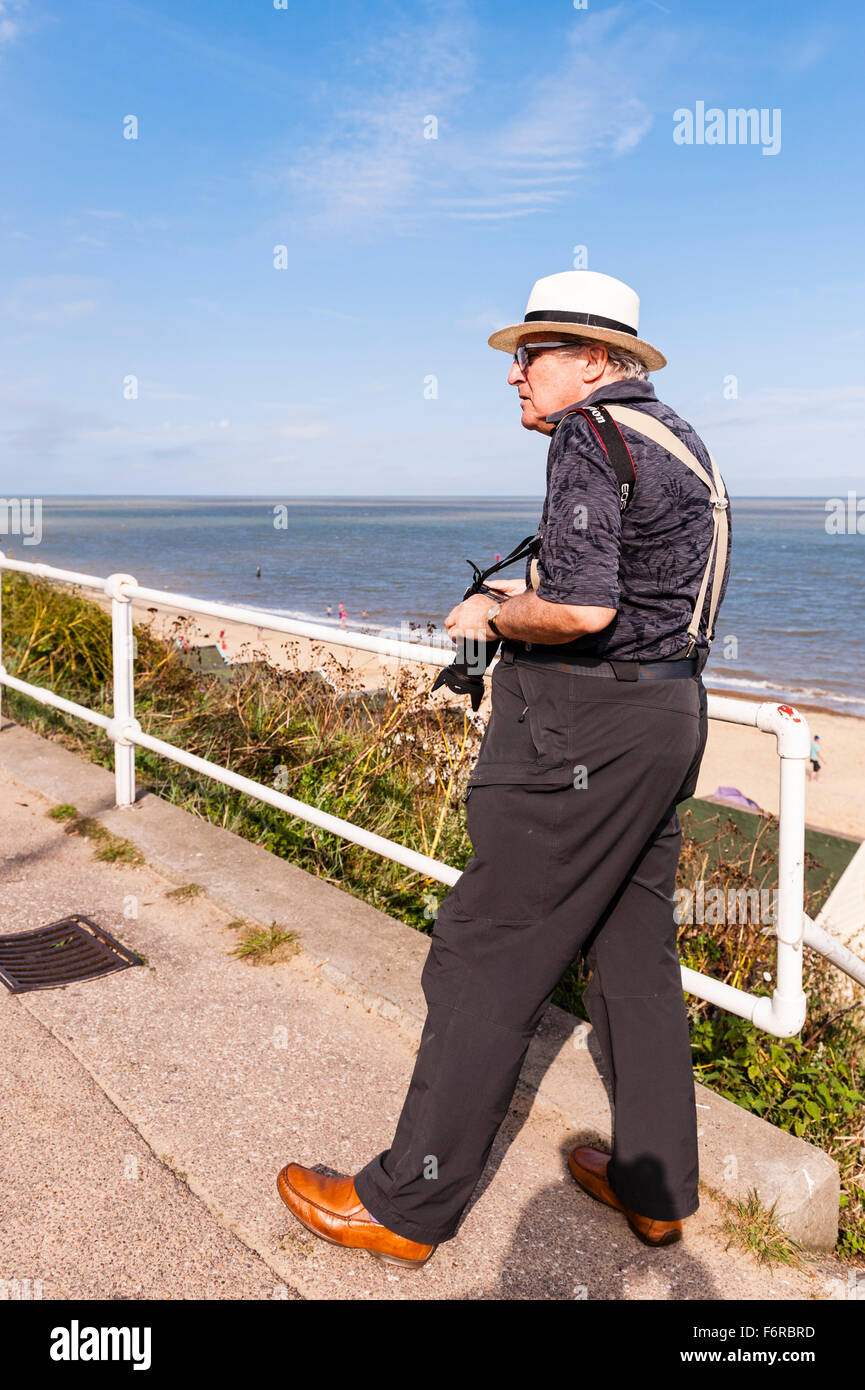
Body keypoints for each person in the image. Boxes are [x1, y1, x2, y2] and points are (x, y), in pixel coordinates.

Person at [277, 269, 732, 1267]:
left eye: (535, 353)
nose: (515, 373)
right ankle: (656, 1187)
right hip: (667, 716)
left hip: (584, 725)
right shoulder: (678, 438)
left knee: (486, 948)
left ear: (597, 363)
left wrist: (490, 613)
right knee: (631, 955)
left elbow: (578, 612)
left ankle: (404, 1204)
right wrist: (541, 588)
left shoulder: (587, 434)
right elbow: (638, 580)